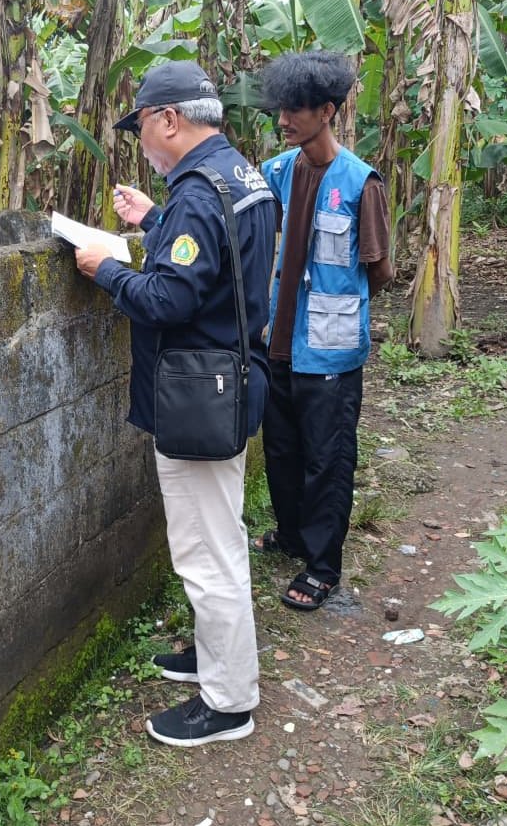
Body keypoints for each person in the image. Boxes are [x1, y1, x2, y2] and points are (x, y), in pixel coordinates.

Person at [73, 60, 276, 747]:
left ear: (169, 119)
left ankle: (228, 703)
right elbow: (217, 262)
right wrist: (155, 219)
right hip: (233, 381)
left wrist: (109, 271)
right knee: (219, 537)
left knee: (206, 552)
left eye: (144, 130)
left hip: (197, 393)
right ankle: (214, 660)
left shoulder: (197, 190)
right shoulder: (240, 176)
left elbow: (171, 297)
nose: (145, 146)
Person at [252, 49, 393, 611]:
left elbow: (378, 272)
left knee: (327, 459)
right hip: (277, 344)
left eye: (296, 111)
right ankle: (291, 535)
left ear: (328, 111)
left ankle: (322, 565)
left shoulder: (361, 183)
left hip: (330, 353)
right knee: (282, 452)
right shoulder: (278, 172)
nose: (284, 120)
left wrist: (337, 309)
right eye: (281, 109)